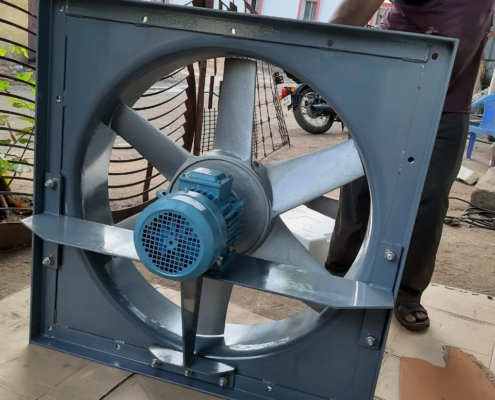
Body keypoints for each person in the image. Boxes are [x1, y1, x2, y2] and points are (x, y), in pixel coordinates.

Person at [325, 0, 494, 331]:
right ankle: (340, 273)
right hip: (388, 91)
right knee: (363, 185)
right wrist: (319, 50)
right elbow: (356, 8)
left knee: (431, 200)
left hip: (451, 102)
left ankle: (407, 291)